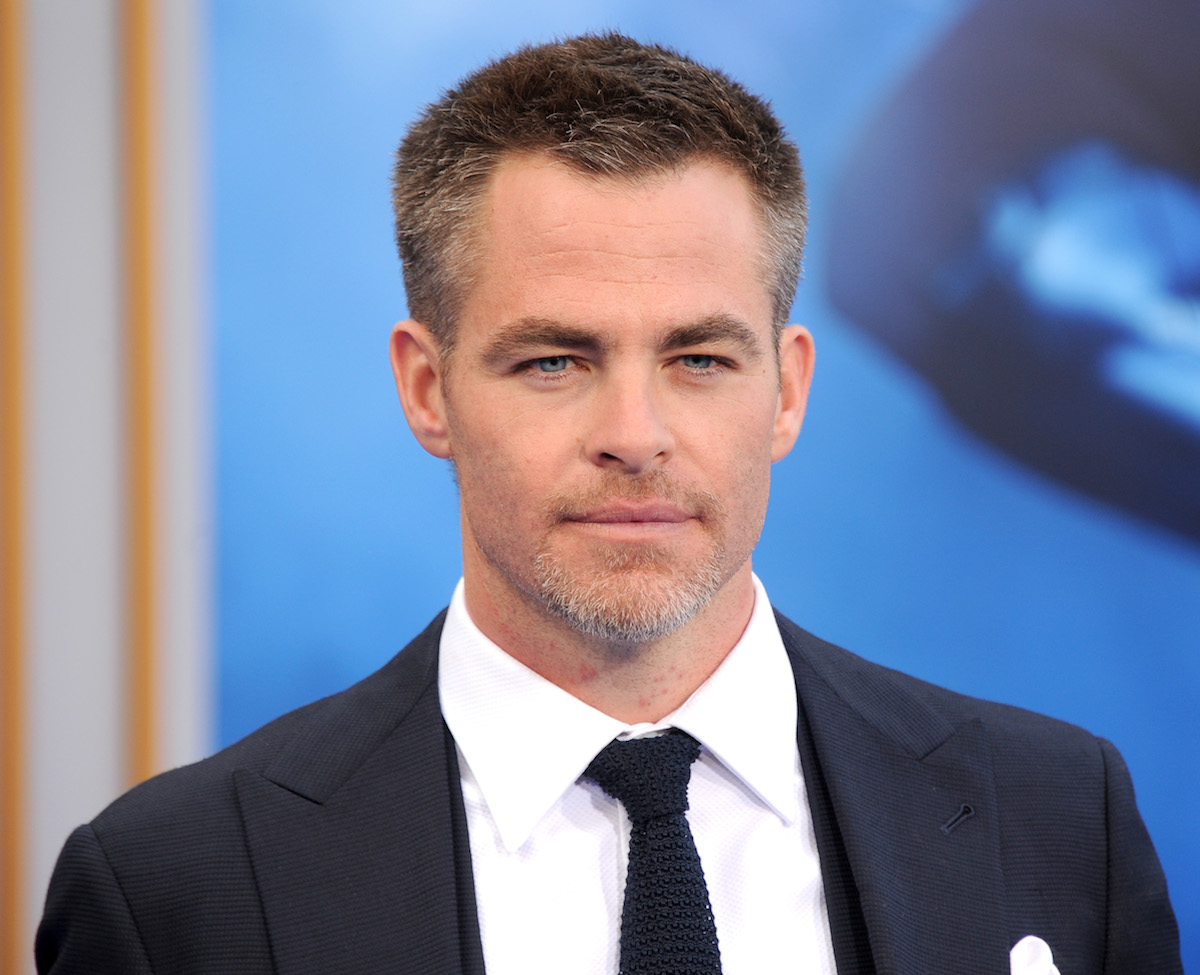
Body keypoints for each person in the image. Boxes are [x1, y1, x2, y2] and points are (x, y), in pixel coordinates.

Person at [36, 33, 1180, 975]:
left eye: (699, 360)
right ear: (428, 391)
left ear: (787, 392)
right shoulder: (170, 893)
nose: (635, 434)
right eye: (554, 361)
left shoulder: (1058, 823)